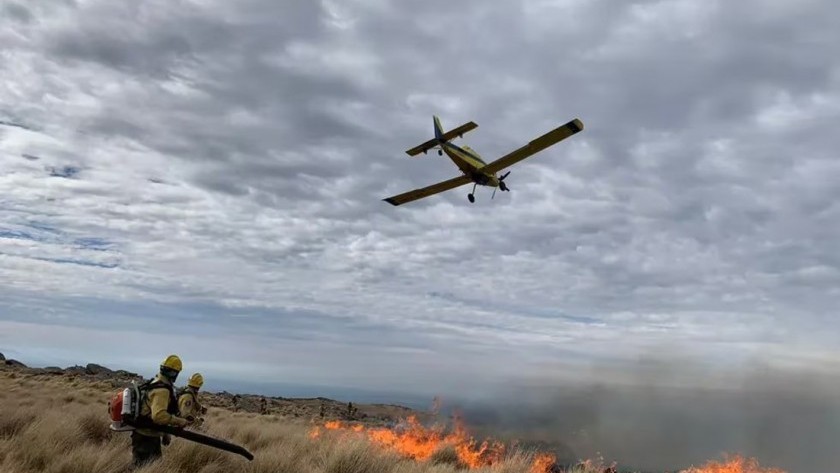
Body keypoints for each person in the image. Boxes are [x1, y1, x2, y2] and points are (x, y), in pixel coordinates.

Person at [130, 354, 194, 468]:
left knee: (152, 467)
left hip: (149, 433)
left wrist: (165, 433)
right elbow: (158, 415)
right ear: (174, 373)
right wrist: (180, 421)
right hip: (146, 436)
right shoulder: (162, 390)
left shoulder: (156, 382)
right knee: (142, 468)